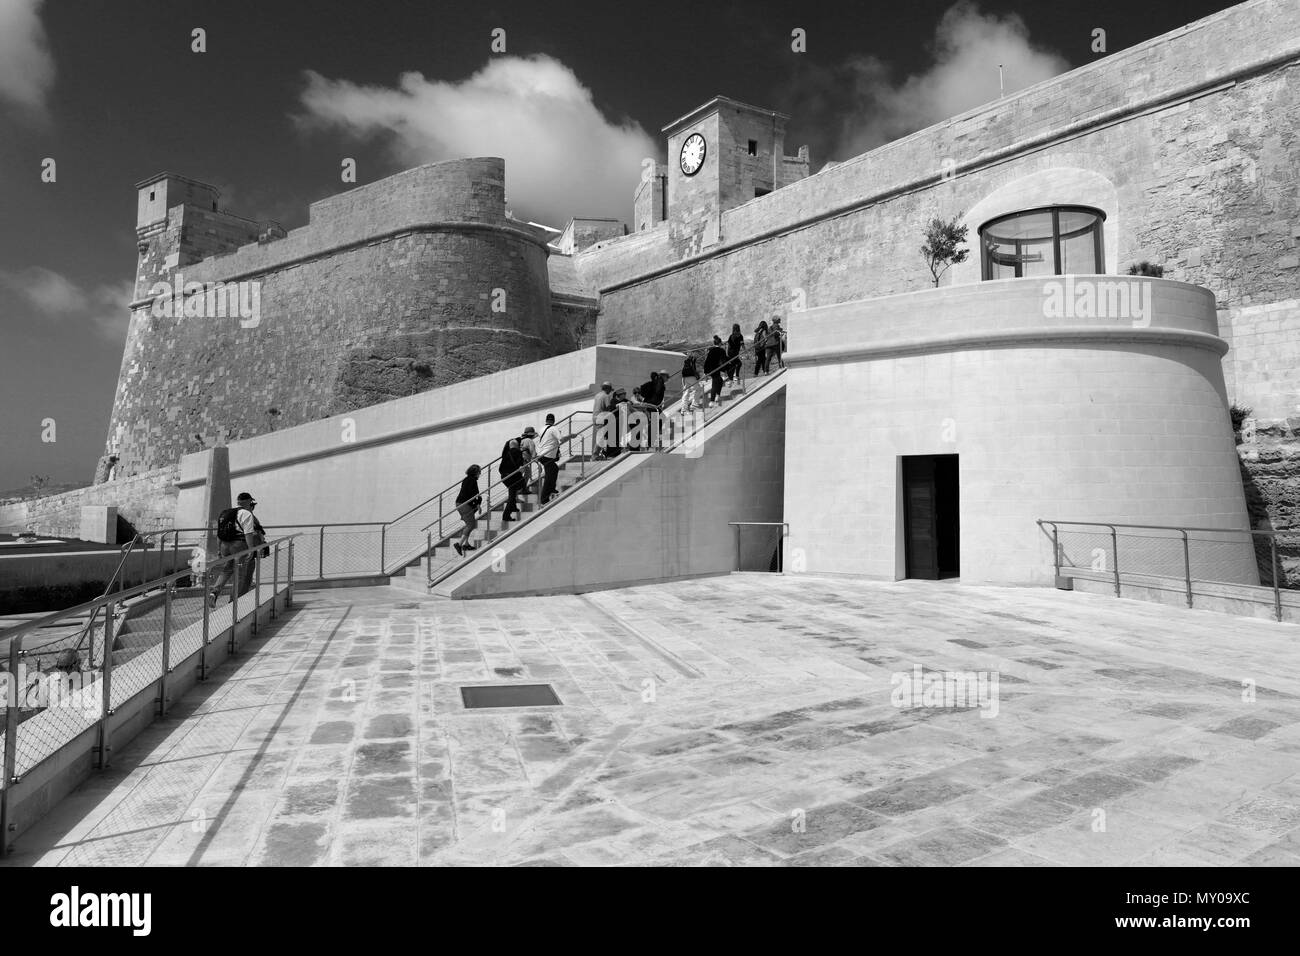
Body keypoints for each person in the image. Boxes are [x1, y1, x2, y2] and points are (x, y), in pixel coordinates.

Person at [209, 491, 264, 607]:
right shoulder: (246, 514)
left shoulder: (227, 513)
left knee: (227, 569)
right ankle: (233, 602)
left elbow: (219, 533)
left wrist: (219, 550)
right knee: (240, 573)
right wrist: (250, 549)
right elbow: (248, 533)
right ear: (249, 501)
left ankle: (214, 592)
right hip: (238, 545)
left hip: (225, 545)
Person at [453, 465, 483, 556]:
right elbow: (473, 494)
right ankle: (459, 544)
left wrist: (477, 503)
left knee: (468, 524)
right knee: (471, 524)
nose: (480, 474)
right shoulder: (472, 481)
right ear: (476, 472)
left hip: (459, 503)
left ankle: (466, 544)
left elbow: (470, 493)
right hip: (465, 505)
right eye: (479, 472)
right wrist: (478, 504)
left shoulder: (466, 479)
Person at [536, 413, 561, 504]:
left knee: (554, 469)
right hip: (547, 455)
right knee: (549, 475)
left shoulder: (541, 429)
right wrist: (571, 436)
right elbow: (561, 439)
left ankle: (552, 489)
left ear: (546, 420)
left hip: (541, 455)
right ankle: (543, 499)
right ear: (554, 421)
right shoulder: (554, 429)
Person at [500, 434, 526, 521]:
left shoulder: (506, 454)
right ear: (517, 445)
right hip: (512, 477)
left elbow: (500, 468)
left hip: (504, 477)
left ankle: (514, 507)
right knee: (512, 495)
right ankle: (506, 515)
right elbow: (520, 465)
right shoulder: (518, 452)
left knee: (513, 492)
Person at [704, 335, 729, 407]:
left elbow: (707, 361)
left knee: (720, 380)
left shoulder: (711, 350)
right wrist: (725, 370)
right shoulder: (721, 351)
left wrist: (705, 371)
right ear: (720, 343)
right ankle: (712, 401)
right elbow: (724, 361)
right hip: (716, 369)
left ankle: (717, 396)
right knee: (715, 383)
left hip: (711, 369)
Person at [592, 382, 614, 459]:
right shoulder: (606, 396)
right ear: (607, 388)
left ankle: (598, 454)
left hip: (595, 417)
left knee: (601, 436)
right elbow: (608, 408)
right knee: (601, 437)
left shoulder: (597, 395)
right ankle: (595, 455)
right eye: (610, 390)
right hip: (601, 418)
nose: (610, 392)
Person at [519, 426, 538, 498]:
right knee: (527, 473)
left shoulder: (521, 440)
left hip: (519, 461)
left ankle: (521, 488)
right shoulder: (530, 441)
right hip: (524, 461)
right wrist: (537, 462)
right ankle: (522, 489)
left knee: (520, 475)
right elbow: (533, 453)